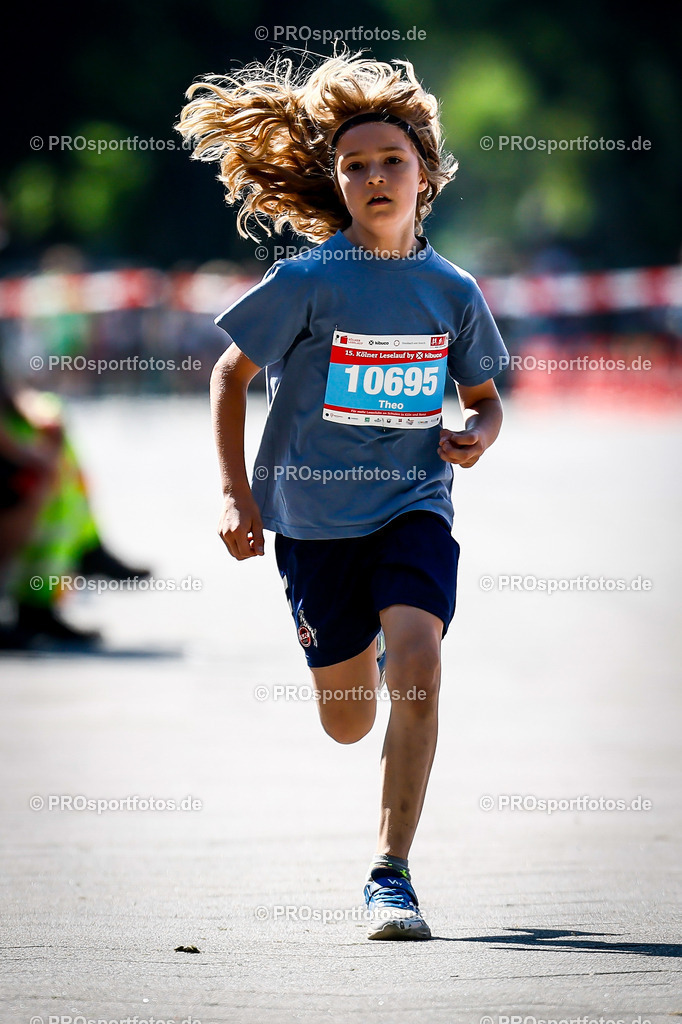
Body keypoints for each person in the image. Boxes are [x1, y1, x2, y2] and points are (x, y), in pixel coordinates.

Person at [176, 49, 509, 941]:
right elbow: (228, 374)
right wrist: (232, 494)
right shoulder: (309, 281)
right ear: (337, 181)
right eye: (354, 164)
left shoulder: (453, 292)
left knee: (420, 663)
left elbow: (485, 399)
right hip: (313, 525)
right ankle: (350, 651)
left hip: (412, 504)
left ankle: (390, 872)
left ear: (425, 179)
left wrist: (477, 436)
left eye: (391, 161)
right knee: (346, 724)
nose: (373, 176)